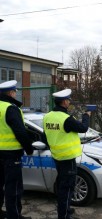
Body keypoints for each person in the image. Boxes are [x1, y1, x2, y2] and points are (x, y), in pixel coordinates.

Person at [43, 89, 90, 219]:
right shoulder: (66, 119)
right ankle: (63, 215)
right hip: (67, 159)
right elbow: (83, 128)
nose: (69, 102)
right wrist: (86, 116)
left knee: (63, 187)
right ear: (64, 101)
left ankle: (66, 210)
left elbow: (44, 136)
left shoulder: (47, 116)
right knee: (67, 189)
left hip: (57, 157)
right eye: (68, 100)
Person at [0, 80, 33, 219]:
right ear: (11, 93)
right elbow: (20, 132)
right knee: (13, 189)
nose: (15, 94)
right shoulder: (10, 108)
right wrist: (29, 148)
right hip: (11, 155)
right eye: (14, 92)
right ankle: (14, 216)